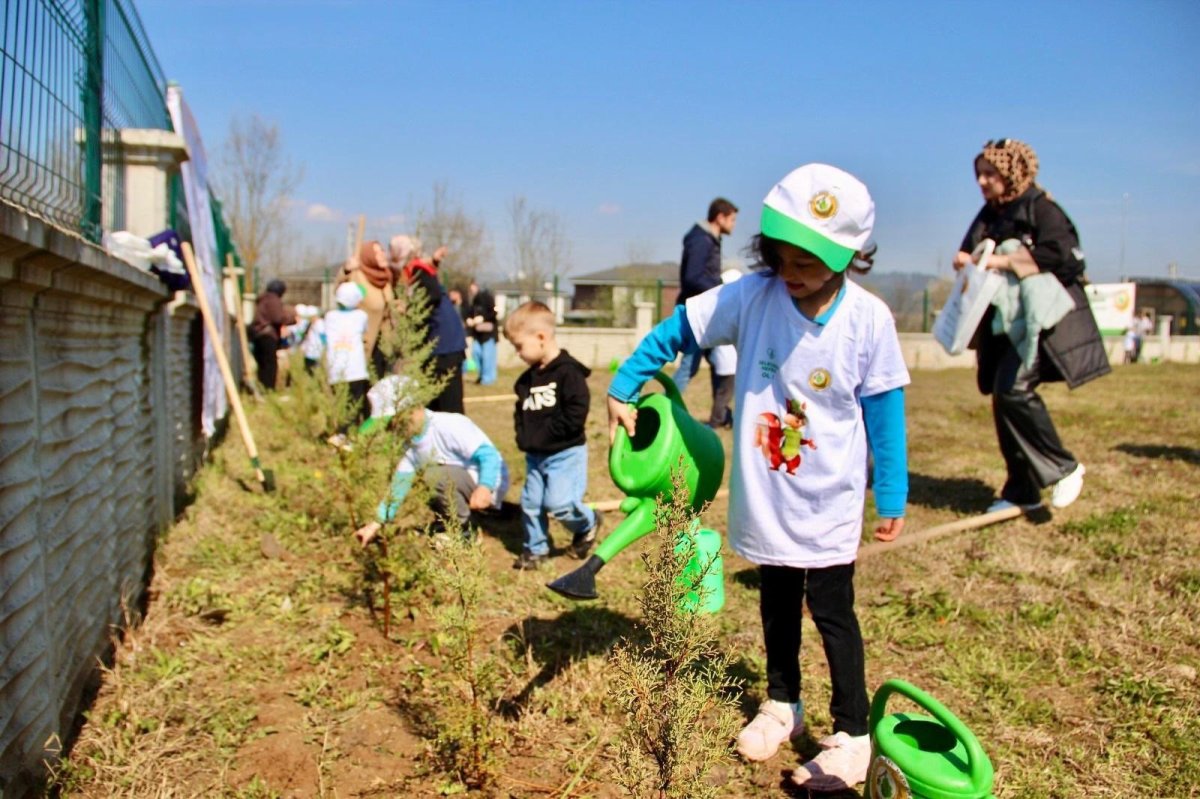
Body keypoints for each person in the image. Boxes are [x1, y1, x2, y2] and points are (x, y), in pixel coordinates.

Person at [608, 164, 909, 792]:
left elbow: (884, 411)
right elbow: (680, 329)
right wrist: (624, 381)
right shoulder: (751, 296)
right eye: (782, 256)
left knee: (832, 610)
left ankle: (851, 733)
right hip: (769, 496)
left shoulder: (869, 321)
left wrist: (894, 492)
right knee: (775, 599)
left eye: (811, 260)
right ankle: (781, 702)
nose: (793, 272)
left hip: (829, 500)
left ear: (849, 255)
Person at [953, 139, 1109, 514]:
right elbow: (970, 249)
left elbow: (1065, 255)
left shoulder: (1041, 208)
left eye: (990, 174)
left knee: (1014, 389)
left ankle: (1064, 467)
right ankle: (1021, 489)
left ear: (1011, 173)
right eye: (979, 175)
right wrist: (966, 261)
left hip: (1040, 323)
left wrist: (1005, 263)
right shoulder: (989, 214)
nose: (983, 182)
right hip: (1001, 324)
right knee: (1002, 398)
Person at [504, 301, 603, 570]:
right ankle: (535, 549)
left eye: (519, 346)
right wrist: (524, 437)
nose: (517, 353)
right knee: (531, 503)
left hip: (565, 453)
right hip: (535, 456)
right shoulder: (525, 381)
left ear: (541, 338)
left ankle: (588, 522)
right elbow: (519, 413)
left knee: (559, 504)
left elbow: (575, 414)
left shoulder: (569, 374)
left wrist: (545, 436)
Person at [352, 386, 510, 545]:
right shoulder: (411, 443)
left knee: (433, 476)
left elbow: (488, 455)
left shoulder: (448, 424)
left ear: (412, 410)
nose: (393, 429)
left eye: (394, 422)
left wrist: (485, 487)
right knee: (423, 477)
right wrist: (375, 524)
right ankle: (448, 522)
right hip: (461, 482)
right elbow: (400, 484)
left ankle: (466, 529)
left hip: (489, 481)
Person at [673, 197, 738, 401]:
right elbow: (693, 277)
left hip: (707, 311)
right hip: (697, 312)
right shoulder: (701, 240)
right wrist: (719, 292)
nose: (734, 225)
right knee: (689, 366)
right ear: (720, 217)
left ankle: (720, 413)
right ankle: (667, 406)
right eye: (732, 219)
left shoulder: (709, 239)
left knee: (719, 363)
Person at [396, 236, 468, 413]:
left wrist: (409, 310)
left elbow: (431, 295)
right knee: (436, 402)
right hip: (444, 344)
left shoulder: (417, 271)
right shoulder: (421, 270)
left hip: (443, 347)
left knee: (448, 405)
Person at [342, 240, 399, 378]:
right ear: (369, 256)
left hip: (384, 342)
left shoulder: (385, 279)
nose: (383, 254)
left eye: (382, 251)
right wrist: (346, 270)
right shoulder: (358, 276)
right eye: (377, 252)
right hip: (364, 342)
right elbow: (341, 291)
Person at [324, 281, 371, 430]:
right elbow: (365, 331)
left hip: (335, 369)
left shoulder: (329, 316)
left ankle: (341, 432)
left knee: (340, 404)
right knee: (355, 403)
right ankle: (355, 433)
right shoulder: (361, 315)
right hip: (356, 369)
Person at [249, 279, 297, 391]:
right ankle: (268, 389)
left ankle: (262, 388)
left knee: (262, 364)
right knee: (269, 365)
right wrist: (291, 318)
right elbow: (277, 318)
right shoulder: (273, 300)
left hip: (258, 335)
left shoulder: (262, 300)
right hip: (268, 336)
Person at [465, 280, 499, 386]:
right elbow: (469, 313)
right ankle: (481, 376)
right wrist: (469, 319)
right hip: (477, 334)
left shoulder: (487, 297)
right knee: (476, 354)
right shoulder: (473, 300)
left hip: (488, 334)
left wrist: (483, 318)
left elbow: (494, 311)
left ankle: (488, 379)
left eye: (473, 288)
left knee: (487, 356)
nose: (471, 290)